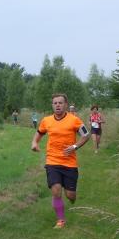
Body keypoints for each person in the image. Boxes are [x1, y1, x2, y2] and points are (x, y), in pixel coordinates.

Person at [31, 93, 90, 229]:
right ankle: (61, 220)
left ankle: (72, 197)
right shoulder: (46, 120)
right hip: (52, 161)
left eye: (60, 103)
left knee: (70, 195)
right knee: (56, 191)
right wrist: (34, 143)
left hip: (70, 163)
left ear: (65, 105)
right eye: (55, 103)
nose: (57, 105)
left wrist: (75, 146)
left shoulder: (74, 120)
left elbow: (86, 135)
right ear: (52, 105)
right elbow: (39, 133)